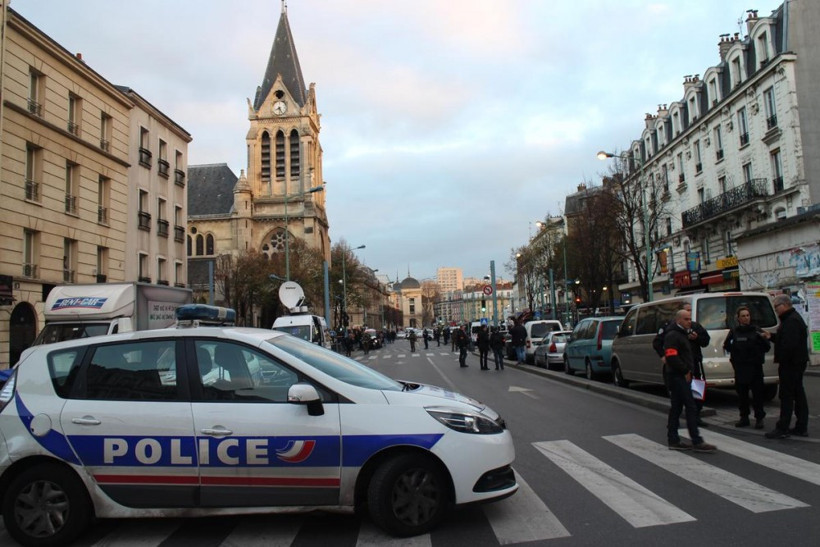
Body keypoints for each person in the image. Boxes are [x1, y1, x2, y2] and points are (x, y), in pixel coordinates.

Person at [663, 308, 717, 453]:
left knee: (676, 408)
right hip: (678, 376)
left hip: (681, 375)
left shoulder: (682, 333)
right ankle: (696, 440)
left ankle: (673, 439)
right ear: (678, 320)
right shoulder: (673, 335)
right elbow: (671, 356)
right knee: (690, 406)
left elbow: (704, 340)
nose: (689, 322)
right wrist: (685, 370)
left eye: (690, 319)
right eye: (686, 319)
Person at [653, 303, 710, 426]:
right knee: (678, 396)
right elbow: (657, 343)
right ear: (680, 316)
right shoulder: (670, 328)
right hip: (678, 366)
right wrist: (663, 356)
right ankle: (677, 422)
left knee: (697, 390)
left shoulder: (695, 326)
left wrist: (697, 338)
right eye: (686, 312)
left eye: (690, 312)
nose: (689, 317)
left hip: (694, 363)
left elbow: (706, 340)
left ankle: (696, 415)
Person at [763, 294, 810, 438]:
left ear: (784, 305)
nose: (776, 310)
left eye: (776, 307)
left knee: (787, 395)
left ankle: (783, 427)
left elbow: (789, 345)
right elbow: (785, 340)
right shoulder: (792, 319)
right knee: (797, 393)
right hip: (795, 362)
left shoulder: (791, 321)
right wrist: (771, 337)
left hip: (791, 364)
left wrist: (782, 359)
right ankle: (801, 426)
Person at [723, 306, 771, 429]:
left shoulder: (756, 330)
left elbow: (766, 346)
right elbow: (727, 345)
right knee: (742, 396)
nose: (746, 318)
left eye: (748, 315)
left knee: (757, 395)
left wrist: (758, 350)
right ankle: (744, 418)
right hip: (740, 368)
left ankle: (759, 418)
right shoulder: (735, 331)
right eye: (743, 316)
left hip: (755, 367)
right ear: (738, 318)